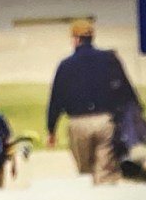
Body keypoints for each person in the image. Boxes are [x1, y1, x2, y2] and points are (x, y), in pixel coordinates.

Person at [45, 19, 138, 186]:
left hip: (78, 123)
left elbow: (56, 99)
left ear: (75, 39)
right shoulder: (109, 58)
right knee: (106, 172)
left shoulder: (65, 65)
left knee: (85, 173)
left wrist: (51, 130)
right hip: (105, 121)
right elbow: (126, 91)